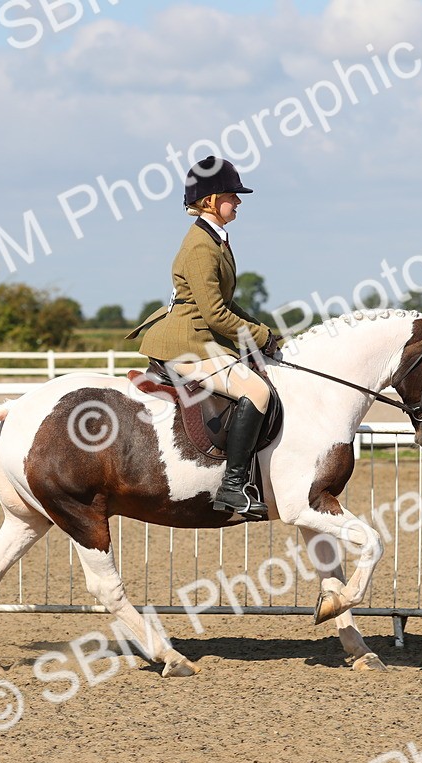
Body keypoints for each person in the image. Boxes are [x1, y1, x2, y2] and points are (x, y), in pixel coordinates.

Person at [127, 157, 280, 520]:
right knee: (256, 391)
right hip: (188, 345)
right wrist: (259, 335)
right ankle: (233, 486)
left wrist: (262, 329)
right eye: (232, 195)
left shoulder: (216, 240)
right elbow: (214, 314)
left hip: (201, 339)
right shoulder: (201, 246)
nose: (238, 202)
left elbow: (227, 302)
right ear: (211, 200)